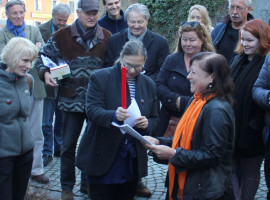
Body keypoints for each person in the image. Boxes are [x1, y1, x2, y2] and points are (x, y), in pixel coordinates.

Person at [36, 0, 111, 199]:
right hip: (69, 102)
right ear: (78, 12)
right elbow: (41, 57)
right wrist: (45, 73)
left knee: (94, 145)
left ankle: (88, 183)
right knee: (68, 146)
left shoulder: (107, 37)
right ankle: (67, 188)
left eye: (95, 12)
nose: (92, 16)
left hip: (97, 103)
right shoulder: (61, 36)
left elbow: (114, 67)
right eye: (87, 12)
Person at [144, 52, 235, 200]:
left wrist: (174, 154)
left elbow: (213, 156)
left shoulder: (216, 110)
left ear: (211, 77)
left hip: (204, 191)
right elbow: (185, 137)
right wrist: (159, 141)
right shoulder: (197, 100)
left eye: (194, 72)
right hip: (188, 186)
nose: (188, 77)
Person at [76, 39, 159, 200]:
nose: (132, 70)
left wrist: (147, 123)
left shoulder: (149, 84)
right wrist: (113, 115)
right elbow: (92, 110)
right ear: (121, 57)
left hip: (131, 157)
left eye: (138, 66)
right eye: (128, 65)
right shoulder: (101, 77)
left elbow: (156, 117)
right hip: (103, 153)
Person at [0, 0, 49, 184]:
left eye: (21, 12)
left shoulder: (33, 30)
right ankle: (12, 163)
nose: (19, 16)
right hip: (9, 86)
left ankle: (36, 169)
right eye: (14, 13)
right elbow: (4, 58)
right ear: (7, 15)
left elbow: (42, 51)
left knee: (36, 130)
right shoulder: (2, 33)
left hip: (32, 85)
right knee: (11, 127)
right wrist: (31, 49)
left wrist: (32, 52)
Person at [230, 19, 270, 200]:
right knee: (228, 168)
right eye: (242, 40)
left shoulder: (265, 62)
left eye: (249, 40)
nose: (244, 44)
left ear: (262, 40)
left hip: (253, 127)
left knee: (251, 171)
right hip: (233, 126)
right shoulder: (238, 59)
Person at [156, 21, 215, 137]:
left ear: (202, 40)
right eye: (184, 39)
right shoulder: (171, 60)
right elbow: (159, 85)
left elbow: (215, 91)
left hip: (198, 119)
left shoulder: (211, 62)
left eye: (192, 40)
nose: (188, 44)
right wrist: (175, 100)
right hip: (170, 121)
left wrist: (185, 103)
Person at [0, 37, 38, 200]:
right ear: (12, 57)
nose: (29, 66)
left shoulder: (28, 81)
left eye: (31, 61)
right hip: (3, 158)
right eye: (25, 61)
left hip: (25, 155)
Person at [39, 3, 71, 167]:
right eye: (59, 20)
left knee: (61, 119)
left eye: (65, 20)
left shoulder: (70, 30)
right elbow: (40, 55)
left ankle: (59, 147)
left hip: (64, 79)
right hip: (47, 80)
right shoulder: (41, 29)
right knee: (46, 121)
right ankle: (46, 151)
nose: (62, 23)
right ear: (53, 16)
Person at [106, 3, 170, 82]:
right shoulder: (114, 40)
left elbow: (163, 72)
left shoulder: (160, 43)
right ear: (127, 21)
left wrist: (143, 82)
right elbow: (108, 67)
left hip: (148, 89)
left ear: (147, 20)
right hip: (119, 86)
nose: (136, 26)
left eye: (140, 22)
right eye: (132, 22)